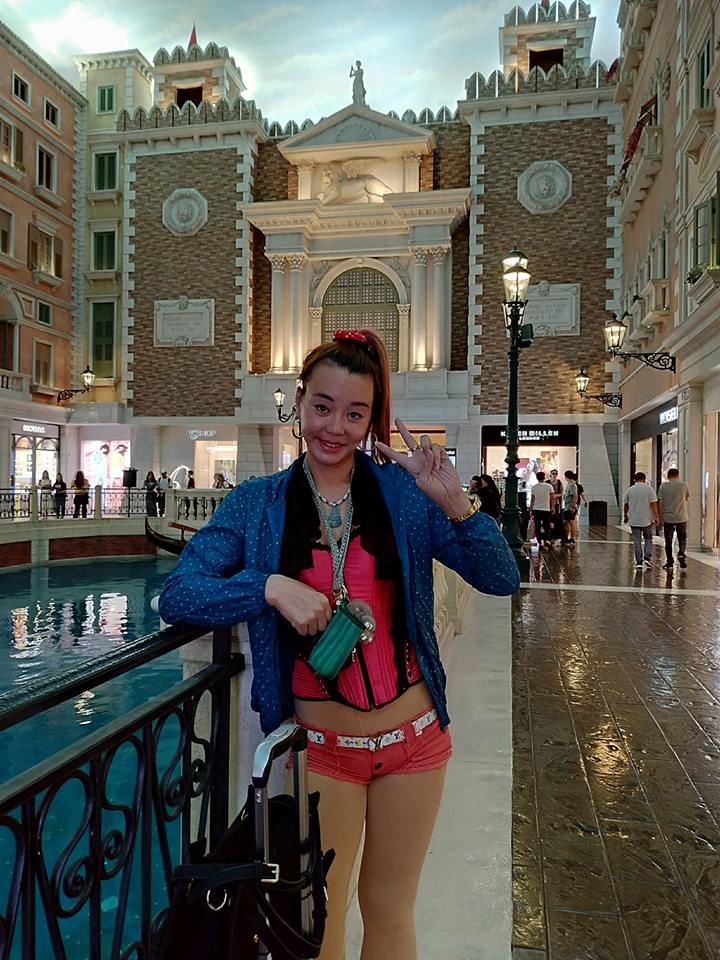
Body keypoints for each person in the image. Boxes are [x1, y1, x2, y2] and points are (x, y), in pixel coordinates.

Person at [158, 328, 520, 960]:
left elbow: (501, 577)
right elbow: (178, 593)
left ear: (370, 418)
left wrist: (457, 505)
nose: (335, 427)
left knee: (390, 915)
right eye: (323, 406)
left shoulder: (404, 497)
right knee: (318, 929)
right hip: (324, 751)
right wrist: (268, 586)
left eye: (355, 413)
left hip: (416, 742)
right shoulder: (256, 505)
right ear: (299, 401)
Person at [623, 471, 660, 569]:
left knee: (637, 541)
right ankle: (647, 558)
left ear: (634, 480)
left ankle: (639, 561)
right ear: (644, 479)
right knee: (648, 538)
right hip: (647, 519)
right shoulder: (649, 489)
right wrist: (657, 516)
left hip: (634, 519)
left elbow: (626, 504)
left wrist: (625, 515)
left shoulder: (630, 490)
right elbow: (654, 504)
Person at [657, 467, 690, 571]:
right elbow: (687, 498)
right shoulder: (684, 485)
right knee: (682, 537)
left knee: (668, 541)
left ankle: (670, 562)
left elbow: (660, 503)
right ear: (678, 475)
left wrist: (660, 517)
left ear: (668, 476)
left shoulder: (663, 486)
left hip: (668, 518)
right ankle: (681, 553)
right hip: (681, 516)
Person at [530, 471, 554, 548]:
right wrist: (553, 507)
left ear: (537, 478)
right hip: (546, 509)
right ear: (544, 477)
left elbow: (532, 500)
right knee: (547, 525)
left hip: (536, 509)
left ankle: (539, 541)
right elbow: (552, 498)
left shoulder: (534, 487)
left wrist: (531, 508)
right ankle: (547, 540)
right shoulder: (549, 486)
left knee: (537, 526)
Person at [561, 470, 578, 545]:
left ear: (566, 476)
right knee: (566, 522)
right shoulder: (569, 484)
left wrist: (573, 506)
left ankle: (572, 538)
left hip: (570, 507)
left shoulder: (571, 485)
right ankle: (567, 537)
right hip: (567, 506)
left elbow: (575, 496)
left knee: (571, 523)